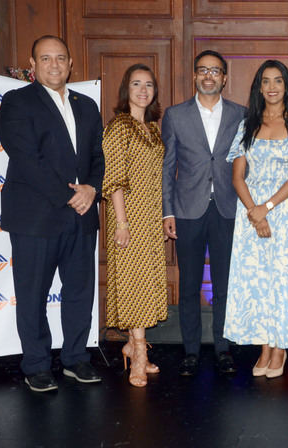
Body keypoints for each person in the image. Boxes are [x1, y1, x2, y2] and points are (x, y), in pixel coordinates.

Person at [0, 35, 104, 392]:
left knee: (79, 294)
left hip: (83, 214)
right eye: (46, 59)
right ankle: (37, 365)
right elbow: (26, 158)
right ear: (33, 64)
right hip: (36, 218)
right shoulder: (16, 102)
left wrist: (91, 188)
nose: (54, 65)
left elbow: (97, 157)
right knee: (32, 295)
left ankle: (76, 359)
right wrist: (68, 196)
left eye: (61, 58)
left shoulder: (87, 105)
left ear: (71, 63)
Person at [223, 59, 288, 378]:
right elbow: (237, 177)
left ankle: (280, 348)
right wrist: (254, 211)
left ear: (286, 86)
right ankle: (263, 347)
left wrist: (268, 207)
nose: (272, 87)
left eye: (278, 80)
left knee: (281, 278)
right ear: (259, 87)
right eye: (266, 81)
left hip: (284, 211)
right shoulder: (247, 124)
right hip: (250, 214)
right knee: (257, 282)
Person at [162, 50, 246, 376]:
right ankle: (191, 351)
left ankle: (224, 349)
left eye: (215, 71)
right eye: (202, 70)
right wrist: (167, 212)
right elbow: (167, 168)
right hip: (187, 210)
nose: (208, 76)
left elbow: (247, 165)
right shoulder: (175, 115)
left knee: (225, 285)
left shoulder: (241, 114)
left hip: (228, 209)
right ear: (194, 76)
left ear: (224, 78)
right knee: (189, 286)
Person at [102, 64, 167, 387]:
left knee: (143, 281)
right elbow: (113, 179)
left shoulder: (153, 129)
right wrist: (122, 223)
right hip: (128, 217)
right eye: (136, 84)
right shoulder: (120, 127)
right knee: (134, 283)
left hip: (151, 218)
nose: (143, 90)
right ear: (126, 89)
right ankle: (139, 355)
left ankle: (132, 342)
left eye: (149, 85)